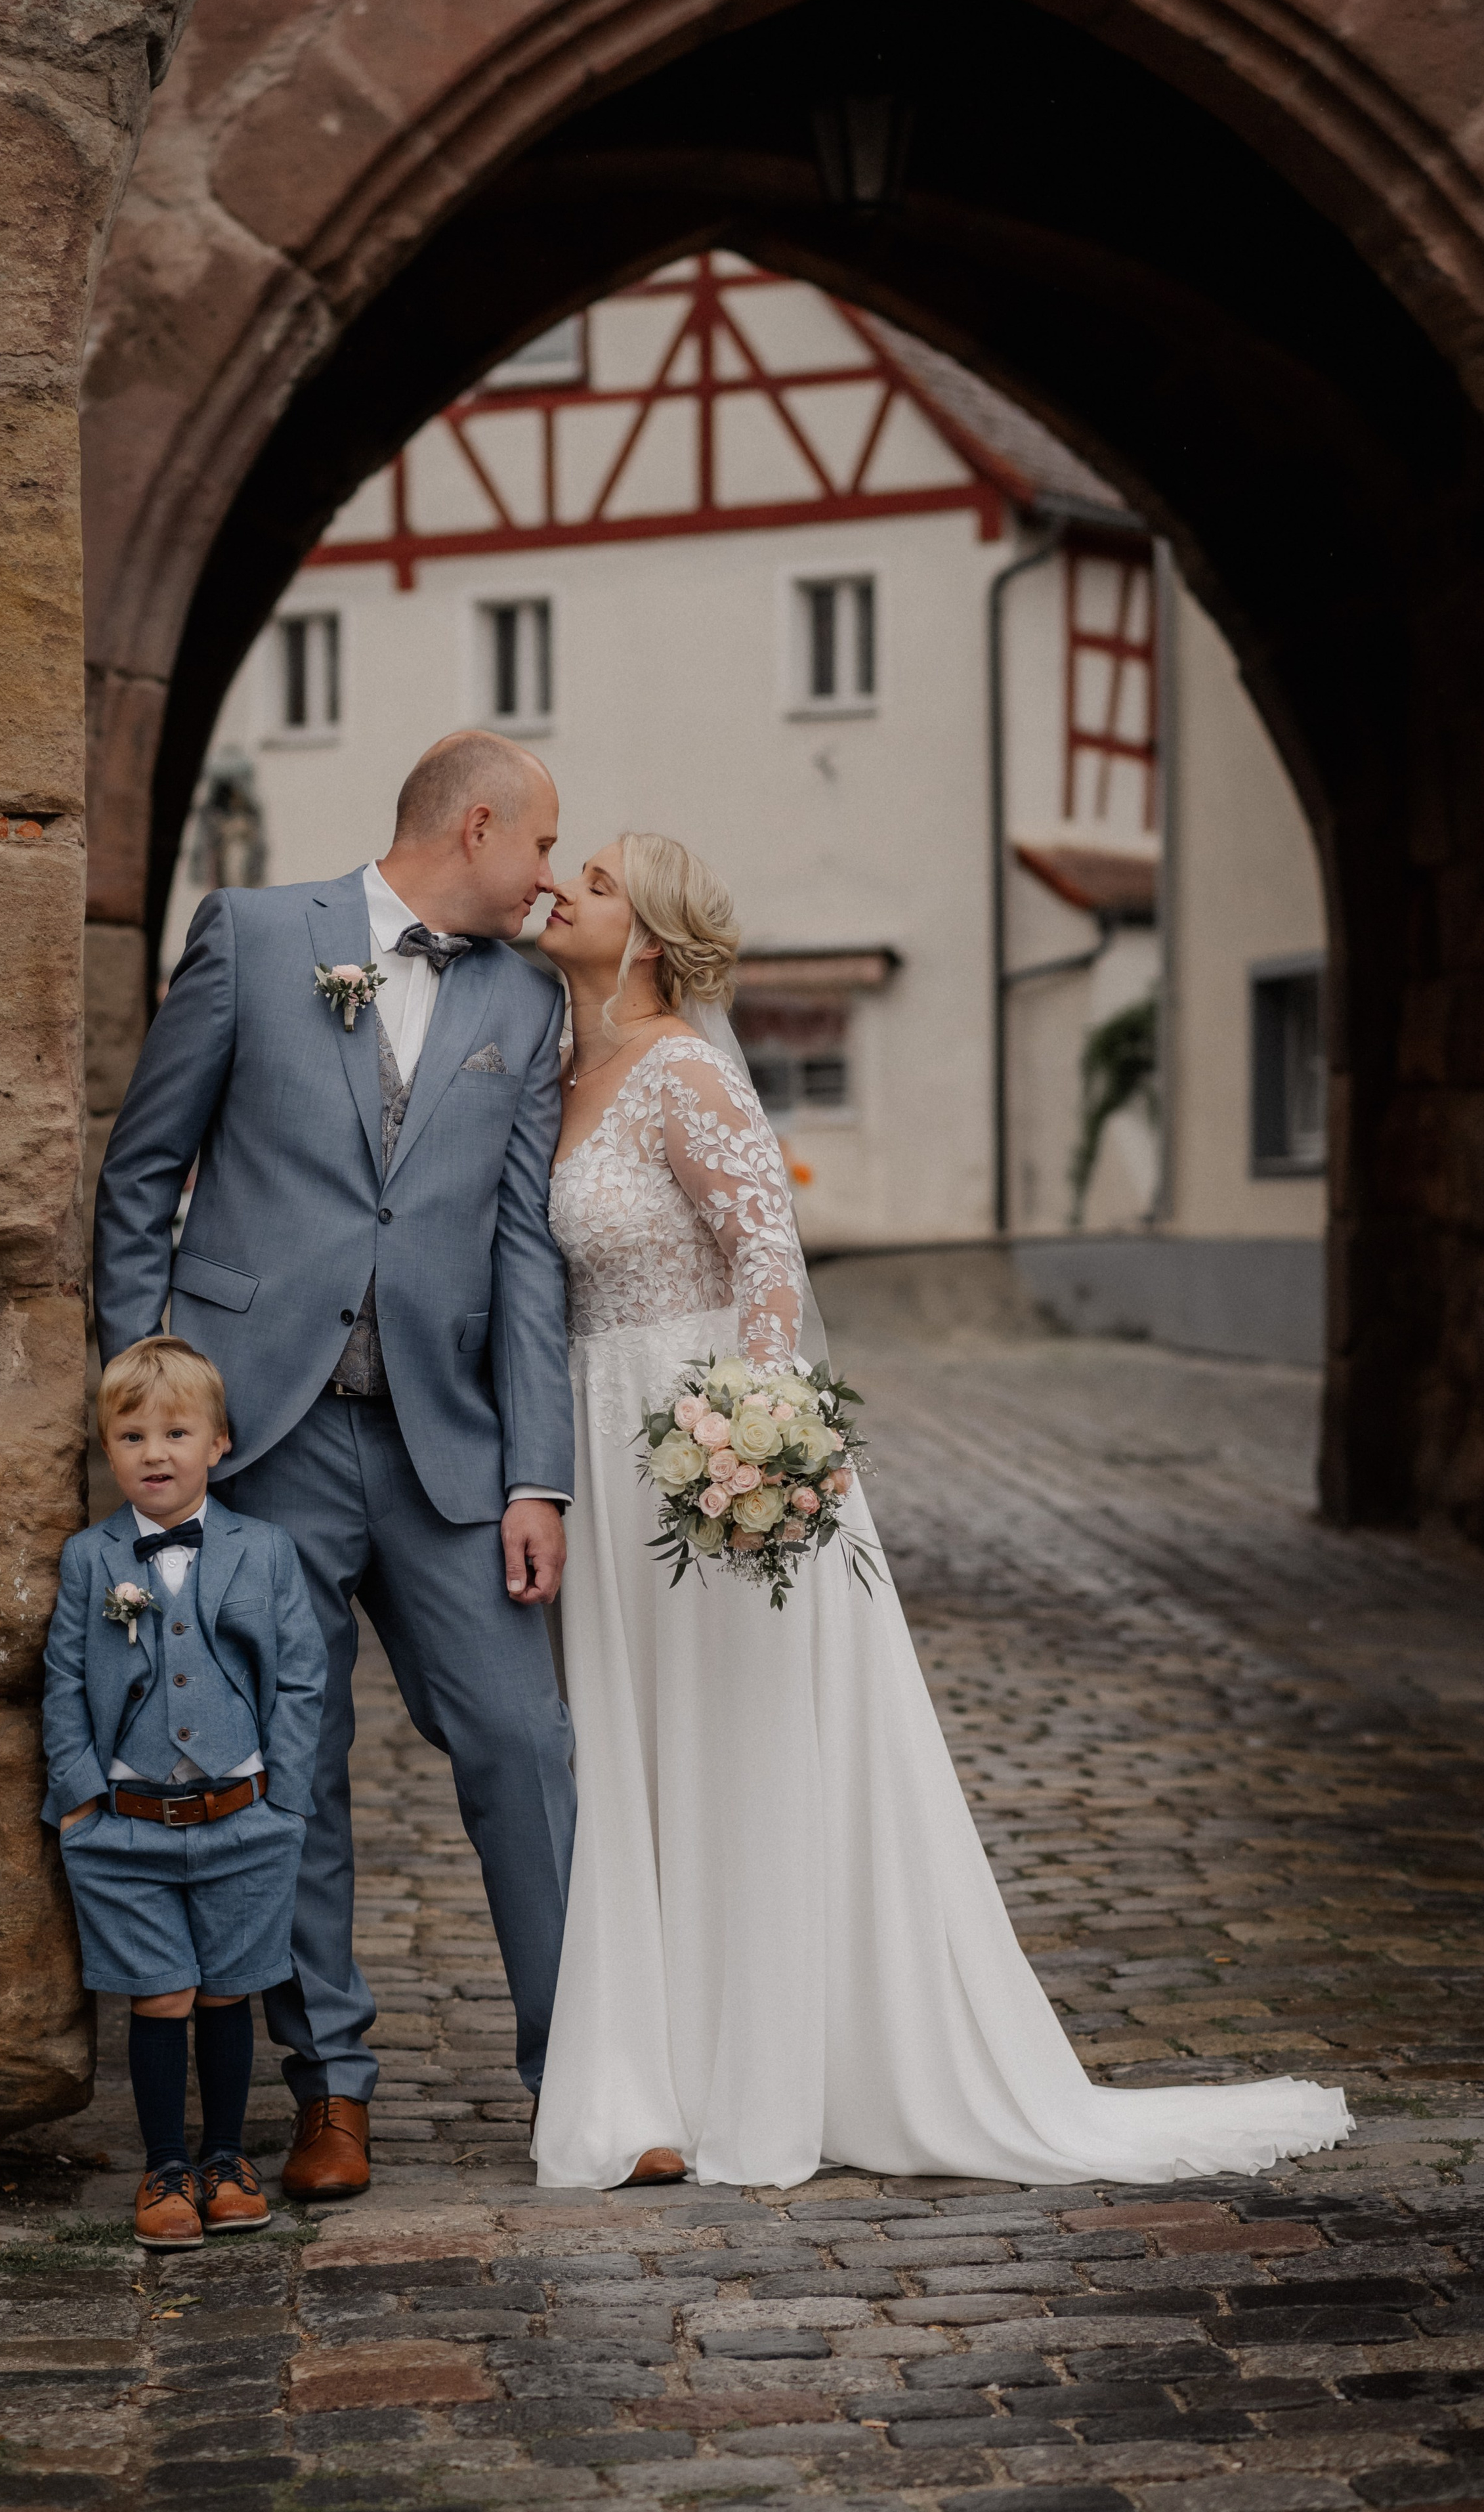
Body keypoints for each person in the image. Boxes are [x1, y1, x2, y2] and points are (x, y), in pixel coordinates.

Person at [531, 833, 1353, 2190]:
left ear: (649, 941)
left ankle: (766, 2066)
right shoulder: (564, 1072)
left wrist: (755, 1445)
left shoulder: (682, 1070)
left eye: (599, 881)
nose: (565, 883)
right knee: (638, 1750)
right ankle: (657, 2067)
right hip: (595, 1436)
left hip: (699, 1450)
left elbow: (765, 1257)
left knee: (735, 1741)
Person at [93, 731, 578, 2200]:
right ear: (476, 825)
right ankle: (331, 2090)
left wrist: (534, 1472)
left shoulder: (526, 998)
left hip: (446, 1447)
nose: (551, 879)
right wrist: (148, 1401)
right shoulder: (252, 937)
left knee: (523, 1743)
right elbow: (138, 1174)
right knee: (287, 1773)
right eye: (541, 848)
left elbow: (525, 1249)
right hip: (265, 1444)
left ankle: (579, 2073)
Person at [41, 1335, 327, 2247]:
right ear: (107, 1448)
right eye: (131, 1436)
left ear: (220, 1444)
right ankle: (165, 2167)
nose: (154, 1453)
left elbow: (303, 1676)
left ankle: (227, 2158)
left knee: (227, 1993)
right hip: (125, 1826)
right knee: (159, 1995)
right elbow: (61, 1680)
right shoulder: (91, 1559)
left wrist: (283, 1799)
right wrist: (82, 1799)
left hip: (244, 1816)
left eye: (175, 1432)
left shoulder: (266, 1551)